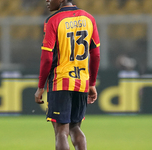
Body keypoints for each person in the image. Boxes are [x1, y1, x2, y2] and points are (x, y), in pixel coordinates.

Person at [34, 0, 100, 150]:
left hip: (60, 81)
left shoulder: (53, 20)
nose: (47, 0)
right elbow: (95, 55)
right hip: (81, 81)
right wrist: (92, 84)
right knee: (75, 127)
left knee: (61, 132)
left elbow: (47, 58)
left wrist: (40, 86)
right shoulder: (89, 18)